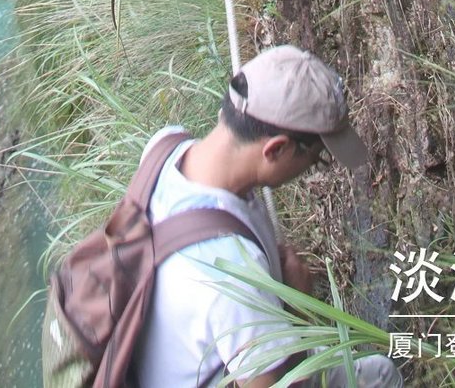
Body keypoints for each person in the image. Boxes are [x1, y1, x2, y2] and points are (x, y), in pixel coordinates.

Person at [132, 46, 400, 388]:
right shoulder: (233, 274)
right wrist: (300, 311)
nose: (311, 169)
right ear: (276, 149)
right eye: (317, 158)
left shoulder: (165, 147)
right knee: (378, 375)